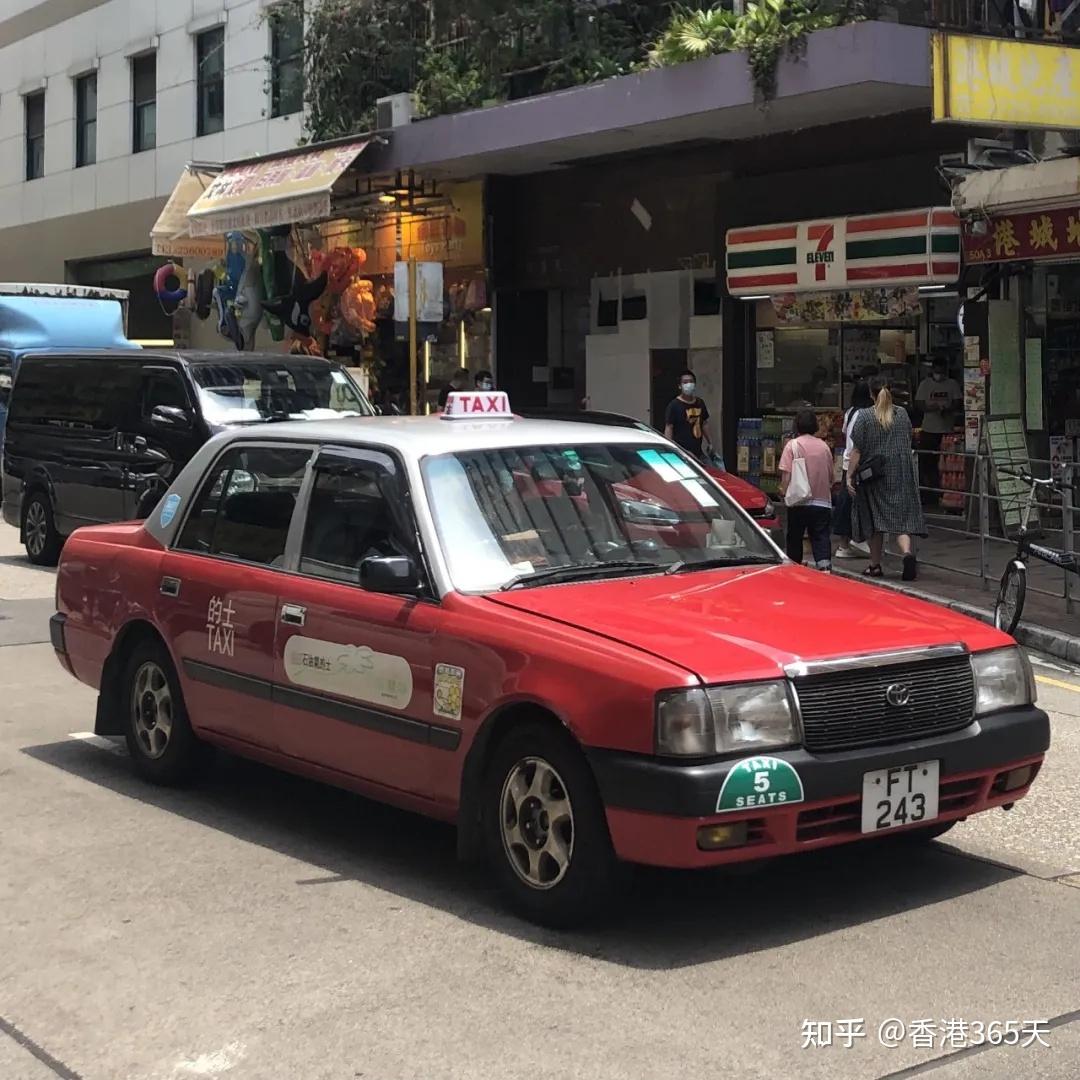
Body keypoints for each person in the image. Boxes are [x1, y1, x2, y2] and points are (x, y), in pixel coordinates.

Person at [848, 377, 926, 581]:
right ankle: (907, 554)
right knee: (901, 519)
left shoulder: (864, 417)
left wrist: (849, 475)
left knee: (875, 521)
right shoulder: (902, 414)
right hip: (900, 472)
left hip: (875, 476)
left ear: (871, 394)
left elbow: (857, 449)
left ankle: (874, 565)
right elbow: (908, 438)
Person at [779, 409, 836, 571]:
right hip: (822, 501)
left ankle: (794, 568)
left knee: (795, 537)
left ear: (797, 425)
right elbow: (831, 475)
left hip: (799, 501)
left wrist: (783, 490)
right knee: (821, 536)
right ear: (815, 426)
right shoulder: (824, 447)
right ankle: (825, 568)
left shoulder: (792, 445)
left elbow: (786, 473)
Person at [833, 381, 874, 560]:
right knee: (861, 504)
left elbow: (844, 434)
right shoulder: (867, 414)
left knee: (845, 504)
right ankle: (859, 540)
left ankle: (844, 544)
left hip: (847, 463)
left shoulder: (849, 412)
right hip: (860, 464)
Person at [914, 356, 961, 506]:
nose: (939, 373)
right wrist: (932, 407)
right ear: (933, 369)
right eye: (937, 370)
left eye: (941, 371)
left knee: (949, 464)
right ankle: (930, 495)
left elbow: (958, 402)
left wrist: (947, 408)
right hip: (929, 429)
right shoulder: (925, 385)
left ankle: (947, 494)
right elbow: (919, 403)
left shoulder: (952, 384)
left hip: (947, 430)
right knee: (928, 463)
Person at [664, 370, 714, 461]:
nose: (689, 384)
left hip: (698, 452)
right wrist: (670, 449)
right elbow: (669, 427)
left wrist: (710, 442)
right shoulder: (674, 405)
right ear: (680, 386)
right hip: (681, 452)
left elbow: (704, 423)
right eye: (685, 382)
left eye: (691, 382)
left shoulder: (700, 403)